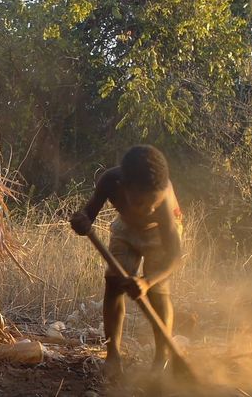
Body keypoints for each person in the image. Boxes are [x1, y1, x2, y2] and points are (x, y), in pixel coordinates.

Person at [70, 145, 183, 377]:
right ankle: (113, 356)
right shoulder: (109, 181)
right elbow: (87, 216)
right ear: (124, 187)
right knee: (113, 284)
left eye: (154, 203)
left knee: (158, 294)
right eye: (142, 203)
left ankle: (161, 358)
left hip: (159, 235)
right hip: (126, 228)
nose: (149, 208)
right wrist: (80, 222)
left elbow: (174, 256)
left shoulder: (163, 199)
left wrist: (147, 282)